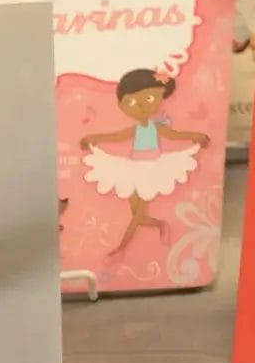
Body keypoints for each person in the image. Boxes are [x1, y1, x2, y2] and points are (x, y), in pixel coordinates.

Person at [79, 69, 209, 255]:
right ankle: (160, 224)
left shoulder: (156, 126)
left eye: (147, 99)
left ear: (161, 96)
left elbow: (174, 135)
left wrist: (195, 136)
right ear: (122, 105)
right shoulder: (137, 127)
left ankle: (121, 247)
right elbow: (116, 136)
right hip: (133, 168)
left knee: (138, 214)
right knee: (137, 214)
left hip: (152, 169)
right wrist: (94, 137)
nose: (139, 106)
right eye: (131, 102)